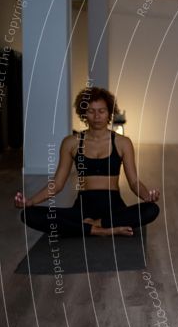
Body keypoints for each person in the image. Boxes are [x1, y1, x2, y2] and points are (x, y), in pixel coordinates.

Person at [15, 87, 160, 237]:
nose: (97, 116)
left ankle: (91, 226)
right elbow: (57, 184)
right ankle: (101, 229)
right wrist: (31, 201)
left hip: (113, 207)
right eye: (91, 111)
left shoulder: (123, 143)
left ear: (109, 112)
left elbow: (134, 181)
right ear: (84, 113)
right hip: (83, 208)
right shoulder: (71, 143)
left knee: (152, 209)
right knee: (28, 214)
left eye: (101, 111)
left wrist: (147, 196)